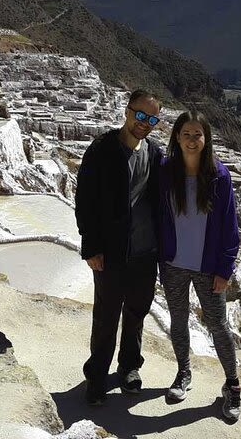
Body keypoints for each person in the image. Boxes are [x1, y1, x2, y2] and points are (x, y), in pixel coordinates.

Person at [75, 89, 164, 406]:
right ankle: (96, 377)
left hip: (145, 252)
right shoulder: (101, 149)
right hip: (111, 252)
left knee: (137, 312)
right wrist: (91, 246)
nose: (145, 123)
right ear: (127, 112)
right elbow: (84, 200)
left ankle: (129, 367)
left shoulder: (153, 153)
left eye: (152, 118)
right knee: (106, 317)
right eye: (140, 115)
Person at [158, 110, 241, 421]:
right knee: (178, 321)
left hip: (209, 268)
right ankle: (183, 373)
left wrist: (225, 269)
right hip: (174, 265)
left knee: (219, 326)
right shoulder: (165, 172)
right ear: (176, 138)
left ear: (206, 140)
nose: (192, 141)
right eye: (186, 135)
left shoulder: (219, 176)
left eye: (198, 135)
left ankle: (232, 386)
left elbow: (230, 227)